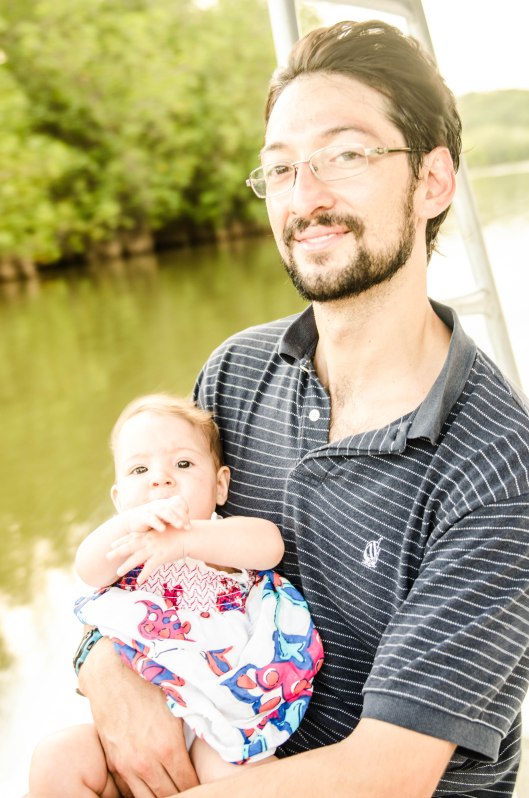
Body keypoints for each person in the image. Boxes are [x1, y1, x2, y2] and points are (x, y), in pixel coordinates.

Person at [73, 18, 529, 798]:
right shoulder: (237, 372)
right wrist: (103, 664)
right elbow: (139, 565)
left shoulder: (498, 469)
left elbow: (384, 775)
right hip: (222, 748)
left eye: (345, 155)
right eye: (280, 168)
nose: (304, 197)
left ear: (431, 180)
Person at [27, 394, 323, 797]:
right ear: (119, 498)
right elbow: (87, 567)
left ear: (220, 485)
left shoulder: (220, 538)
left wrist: (187, 540)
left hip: (219, 728)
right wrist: (131, 523)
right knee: (56, 758)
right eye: (140, 469)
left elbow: (270, 546)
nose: (160, 479)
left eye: (183, 464)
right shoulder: (127, 548)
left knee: (237, 780)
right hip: (135, 715)